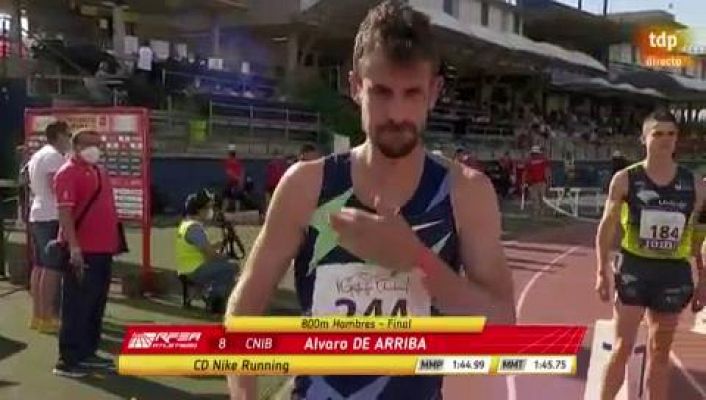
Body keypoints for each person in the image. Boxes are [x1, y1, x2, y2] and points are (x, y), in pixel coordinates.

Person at [226, 2, 515, 399]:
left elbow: (504, 331)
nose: (396, 113)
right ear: (355, 87)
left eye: (411, 93)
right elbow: (245, 307)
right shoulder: (306, 186)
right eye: (381, 92)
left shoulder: (466, 193)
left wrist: (418, 261)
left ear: (434, 92)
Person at [595, 110, 706, 400]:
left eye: (671, 134)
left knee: (660, 352)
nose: (665, 140)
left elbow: (699, 239)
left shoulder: (695, 185)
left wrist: (703, 280)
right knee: (622, 347)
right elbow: (606, 228)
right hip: (635, 268)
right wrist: (601, 270)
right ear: (644, 139)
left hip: (673, 273)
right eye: (658, 134)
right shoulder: (625, 179)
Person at [53, 129, 120, 378]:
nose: (96, 148)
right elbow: (65, 213)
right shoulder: (67, 173)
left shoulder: (99, 171)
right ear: (76, 145)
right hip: (82, 251)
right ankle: (68, 360)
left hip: (103, 250)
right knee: (76, 306)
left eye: (98, 144)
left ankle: (88, 352)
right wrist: (74, 247)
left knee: (95, 304)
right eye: (90, 144)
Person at [27, 121, 71, 333]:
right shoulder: (54, 156)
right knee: (52, 268)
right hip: (50, 215)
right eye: (68, 135)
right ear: (59, 136)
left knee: (39, 266)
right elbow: (58, 187)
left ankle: (38, 315)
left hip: (37, 213)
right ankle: (47, 317)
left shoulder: (38, 155)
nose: (70, 139)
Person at [176, 190, 238, 313]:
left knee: (224, 266)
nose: (210, 211)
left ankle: (209, 294)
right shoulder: (194, 228)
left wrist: (219, 244)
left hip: (186, 267)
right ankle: (213, 299)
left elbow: (199, 248)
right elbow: (209, 254)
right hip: (195, 270)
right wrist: (224, 257)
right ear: (199, 210)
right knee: (232, 268)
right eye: (208, 207)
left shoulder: (186, 225)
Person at [522, 145, 550, 218]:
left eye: (536, 153)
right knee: (535, 198)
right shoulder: (529, 161)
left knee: (542, 198)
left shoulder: (544, 160)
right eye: (533, 153)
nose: (535, 155)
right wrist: (524, 182)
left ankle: (542, 213)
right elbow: (525, 172)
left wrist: (548, 180)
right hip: (532, 183)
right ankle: (536, 213)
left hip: (541, 181)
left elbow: (547, 170)